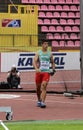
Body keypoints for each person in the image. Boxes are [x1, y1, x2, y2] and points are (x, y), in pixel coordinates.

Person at [33, 39, 55, 108]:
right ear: (42, 45)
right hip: (39, 72)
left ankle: (43, 102)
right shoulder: (38, 53)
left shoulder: (50, 53)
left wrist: (53, 69)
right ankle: (39, 100)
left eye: (47, 44)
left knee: (44, 86)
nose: (46, 45)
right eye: (45, 44)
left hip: (46, 72)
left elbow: (53, 62)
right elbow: (34, 61)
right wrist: (36, 69)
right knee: (38, 88)